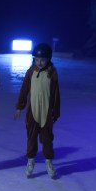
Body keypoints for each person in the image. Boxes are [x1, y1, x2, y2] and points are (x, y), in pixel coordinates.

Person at [14, 42, 61, 179]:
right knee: (31, 137)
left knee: (47, 139)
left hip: (46, 112)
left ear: (48, 59)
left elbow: (56, 94)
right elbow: (24, 90)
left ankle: (49, 162)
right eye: (37, 59)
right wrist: (19, 106)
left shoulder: (52, 73)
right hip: (32, 112)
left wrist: (56, 111)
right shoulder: (31, 72)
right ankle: (30, 161)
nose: (39, 63)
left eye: (43, 60)